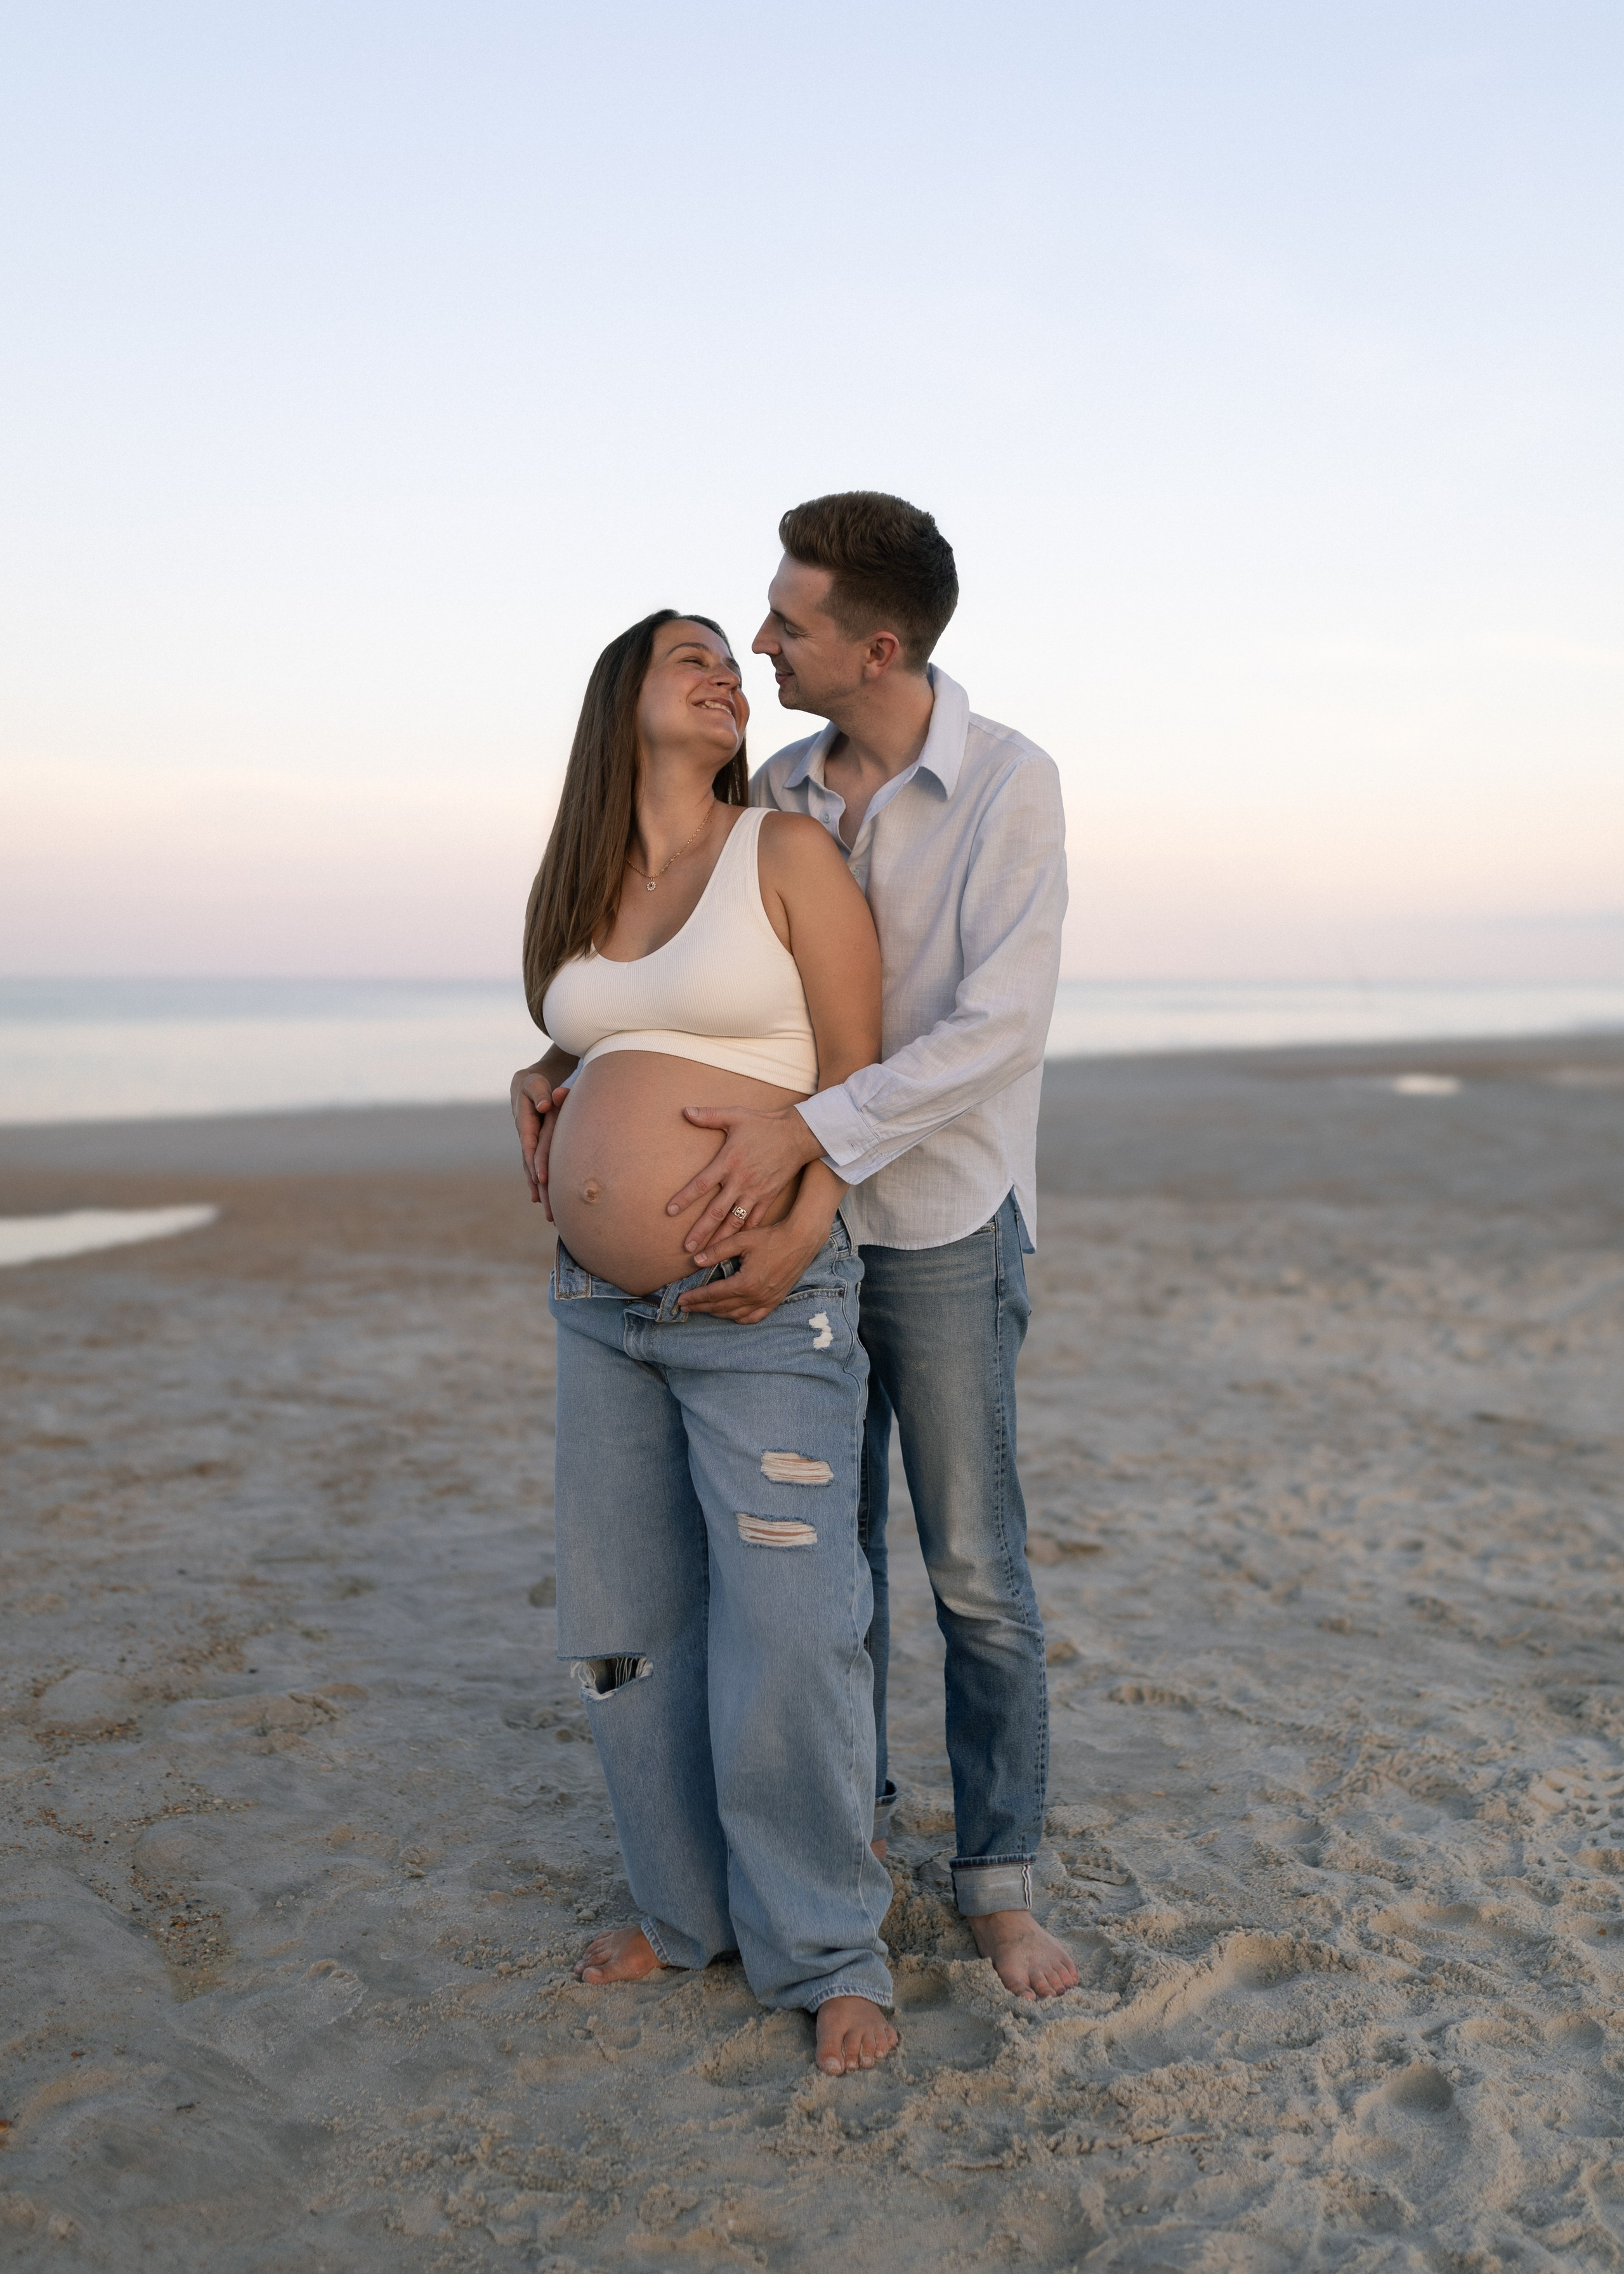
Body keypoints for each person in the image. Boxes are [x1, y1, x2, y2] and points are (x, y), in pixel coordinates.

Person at [657, 493, 1075, 2000]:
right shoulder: (772, 786)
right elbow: (712, 978)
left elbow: (999, 1029)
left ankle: (999, 1877)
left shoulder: (1008, 785)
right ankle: (853, 1844)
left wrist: (822, 1133)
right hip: (803, 1233)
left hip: (947, 1219)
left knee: (971, 1565)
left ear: (876, 645)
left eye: (789, 620)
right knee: (826, 1573)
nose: (761, 636)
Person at [515, 606, 897, 2075]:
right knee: (627, 1624)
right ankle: (683, 1914)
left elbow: (859, 1072)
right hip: (596, 1311)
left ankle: (825, 1945)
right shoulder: (578, 883)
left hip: (764, 1304)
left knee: (794, 1628)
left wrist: (806, 1224)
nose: (725, 674)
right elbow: (588, 1036)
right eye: (692, 656)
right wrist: (543, 1075)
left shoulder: (786, 855)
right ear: (625, 697)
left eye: (733, 663)